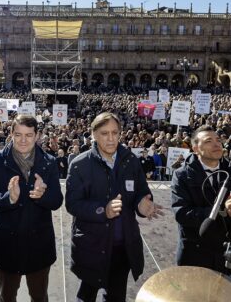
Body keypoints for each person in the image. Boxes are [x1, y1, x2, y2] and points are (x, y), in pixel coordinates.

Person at [66, 112, 163, 302]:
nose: (111, 139)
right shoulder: (79, 165)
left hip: (123, 246)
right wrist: (104, 210)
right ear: (94, 134)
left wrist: (142, 207)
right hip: (92, 246)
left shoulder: (131, 161)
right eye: (104, 133)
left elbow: (141, 194)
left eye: (115, 132)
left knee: (116, 296)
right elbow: (73, 204)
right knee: (87, 294)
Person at [0, 115, 63, 302]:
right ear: (11, 134)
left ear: (37, 136)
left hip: (39, 246)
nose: (23, 140)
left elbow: (57, 201)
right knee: (7, 297)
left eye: (29, 135)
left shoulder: (49, 162)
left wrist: (43, 196)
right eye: (18, 134)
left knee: (39, 297)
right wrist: (8, 198)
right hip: (7, 247)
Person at [171, 125, 231, 277]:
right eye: (208, 141)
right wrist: (220, 211)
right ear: (196, 148)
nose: (217, 144)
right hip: (195, 256)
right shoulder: (182, 175)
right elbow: (182, 214)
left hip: (226, 257)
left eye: (218, 140)